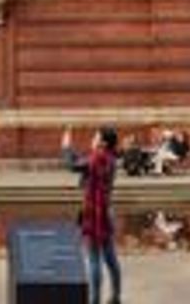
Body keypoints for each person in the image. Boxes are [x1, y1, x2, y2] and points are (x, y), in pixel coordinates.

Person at [68, 127, 122, 304]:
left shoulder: (98, 157)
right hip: (106, 210)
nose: (93, 138)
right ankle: (115, 296)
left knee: (93, 259)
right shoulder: (110, 158)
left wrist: (66, 146)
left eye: (96, 136)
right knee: (110, 258)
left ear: (103, 142)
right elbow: (83, 165)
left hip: (94, 213)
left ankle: (95, 300)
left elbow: (73, 165)